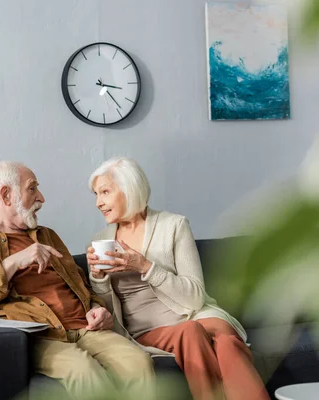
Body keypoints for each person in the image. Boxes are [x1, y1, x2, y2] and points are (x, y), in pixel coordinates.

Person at [0, 161, 154, 400]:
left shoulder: (47, 235)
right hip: (42, 337)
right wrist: (14, 262)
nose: (42, 198)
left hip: (86, 329)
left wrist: (98, 307)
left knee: (138, 363)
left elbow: (81, 285)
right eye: (32, 188)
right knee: (83, 371)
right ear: (6, 195)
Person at [86, 157, 269, 400]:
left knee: (226, 342)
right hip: (147, 328)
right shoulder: (101, 240)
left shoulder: (174, 225)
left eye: (105, 192)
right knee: (189, 332)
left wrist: (145, 266)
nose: (99, 202)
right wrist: (98, 278)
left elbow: (195, 298)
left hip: (198, 314)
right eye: (96, 195)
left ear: (129, 188)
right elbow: (107, 311)